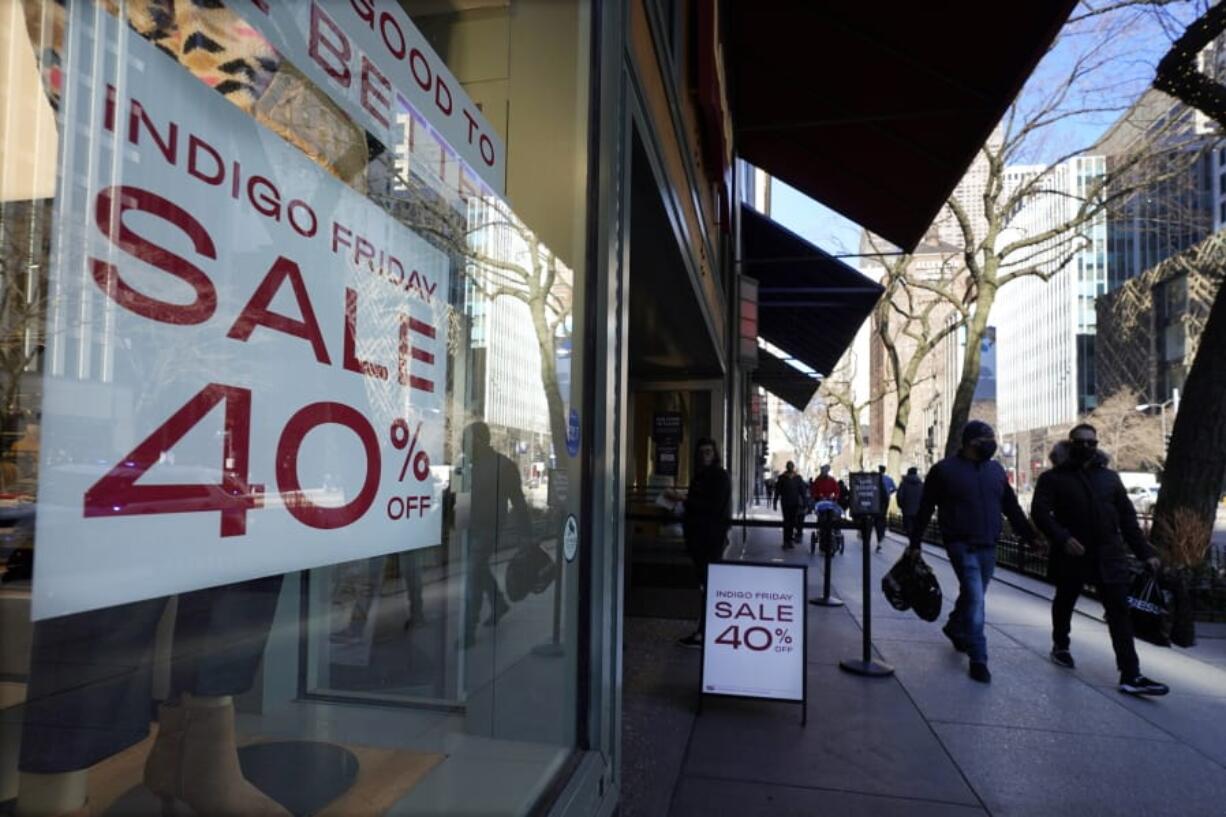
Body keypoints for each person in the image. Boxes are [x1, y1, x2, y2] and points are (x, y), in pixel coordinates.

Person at [1031, 425, 1169, 696]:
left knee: (1119, 613)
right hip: (1073, 554)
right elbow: (1040, 512)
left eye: (1092, 442)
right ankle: (1061, 644)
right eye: (1080, 442)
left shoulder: (1109, 478)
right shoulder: (1053, 478)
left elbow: (1128, 518)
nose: (1087, 447)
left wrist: (1146, 553)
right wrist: (1062, 538)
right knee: (1065, 600)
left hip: (1109, 556)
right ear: (1069, 444)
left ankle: (1131, 673)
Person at [905, 420, 1037, 683]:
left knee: (972, 593)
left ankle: (955, 626)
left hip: (988, 543)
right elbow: (926, 508)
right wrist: (915, 543)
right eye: (984, 439)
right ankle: (979, 656)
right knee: (976, 599)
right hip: (960, 542)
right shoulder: (943, 471)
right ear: (969, 442)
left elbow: (1010, 506)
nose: (990, 443)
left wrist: (1030, 537)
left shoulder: (996, 471)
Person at [673, 438, 732, 648]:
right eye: (702, 452)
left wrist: (685, 501)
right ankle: (704, 631)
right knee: (704, 585)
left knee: (709, 585)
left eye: (708, 451)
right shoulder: (699, 476)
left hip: (710, 539)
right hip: (697, 538)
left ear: (715, 454)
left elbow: (713, 506)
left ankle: (705, 632)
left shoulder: (720, 476)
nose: (705, 455)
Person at [772, 461, 807, 549]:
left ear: (793, 467)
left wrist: (805, 503)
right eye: (789, 466)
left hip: (795, 503)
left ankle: (790, 540)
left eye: (791, 466)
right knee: (786, 522)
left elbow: (803, 492)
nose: (790, 467)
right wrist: (775, 502)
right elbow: (777, 491)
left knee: (792, 522)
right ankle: (785, 541)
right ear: (787, 467)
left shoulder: (798, 478)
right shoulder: (782, 478)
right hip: (785, 503)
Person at [873, 465, 897, 552]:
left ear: (879, 470)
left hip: (876, 500)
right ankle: (882, 530)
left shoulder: (876, 478)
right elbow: (894, 488)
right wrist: (889, 493)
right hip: (886, 499)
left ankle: (879, 531)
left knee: (877, 516)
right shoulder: (889, 479)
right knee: (883, 515)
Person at [896, 466, 924, 536]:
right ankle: (915, 544)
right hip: (918, 510)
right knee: (917, 528)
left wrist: (901, 506)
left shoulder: (903, 484)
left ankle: (912, 543)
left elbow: (899, 496)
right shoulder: (921, 484)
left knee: (909, 528)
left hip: (907, 510)